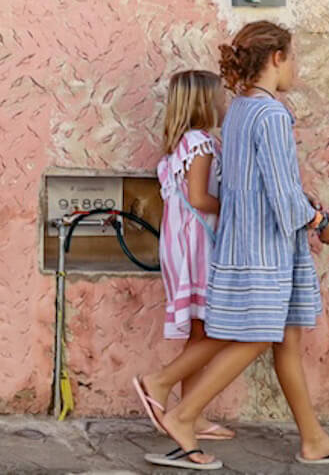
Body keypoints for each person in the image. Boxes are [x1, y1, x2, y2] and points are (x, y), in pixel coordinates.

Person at [144, 22, 329, 470]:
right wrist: (320, 221)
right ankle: (182, 413)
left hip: (249, 241)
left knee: (285, 339)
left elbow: (248, 183)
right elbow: (279, 192)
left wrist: (301, 203)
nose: (297, 67)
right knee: (261, 336)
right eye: (294, 57)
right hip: (265, 248)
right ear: (276, 58)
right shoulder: (271, 114)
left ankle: (313, 439)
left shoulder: (239, 110)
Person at [131, 70, 236, 444]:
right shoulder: (201, 143)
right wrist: (238, 209)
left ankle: (192, 412)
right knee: (217, 329)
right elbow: (199, 198)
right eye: (220, 97)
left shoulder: (183, 144)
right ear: (205, 101)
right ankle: (159, 385)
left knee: (199, 329)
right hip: (197, 246)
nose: (225, 103)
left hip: (182, 244)